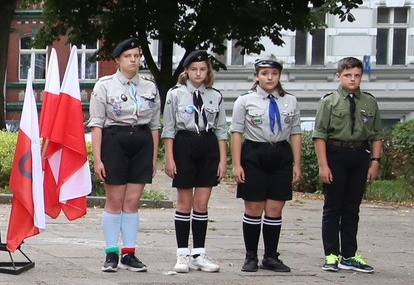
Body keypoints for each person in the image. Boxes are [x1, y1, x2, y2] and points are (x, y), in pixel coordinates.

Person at [87, 38, 161, 272]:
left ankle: (129, 253)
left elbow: (155, 125)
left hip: (141, 140)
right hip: (115, 140)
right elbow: (96, 124)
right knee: (115, 200)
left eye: (137, 56)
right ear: (118, 60)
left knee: (132, 201)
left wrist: (153, 158)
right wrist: (98, 159)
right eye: (128, 56)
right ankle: (111, 253)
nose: (133, 60)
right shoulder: (105, 86)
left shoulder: (149, 86)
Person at [230, 56, 301, 273]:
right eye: (264, 73)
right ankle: (250, 256)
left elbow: (295, 133)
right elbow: (236, 132)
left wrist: (297, 164)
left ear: (279, 76)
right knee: (253, 207)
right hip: (254, 153)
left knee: (275, 208)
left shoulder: (290, 101)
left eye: (274, 74)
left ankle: (270, 256)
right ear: (257, 76)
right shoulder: (245, 100)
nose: (270, 78)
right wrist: (237, 164)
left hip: (280, 153)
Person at [160, 50, 227, 273]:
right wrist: (169, 158)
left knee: (201, 203)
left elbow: (221, 130)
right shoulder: (175, 94)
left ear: (208, 72)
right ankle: (182, 254)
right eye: (193, 69)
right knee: (184, 203)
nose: (198, 73)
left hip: (207, 144)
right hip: (184, 143)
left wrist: (223, 160)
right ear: (186, 71)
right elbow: (169, 129)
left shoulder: (215, 96)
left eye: (202, 69)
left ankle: (199, 253)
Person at [313, 56, 382, 273]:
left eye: (357, 75)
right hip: (335, 153)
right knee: (333, 207)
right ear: (338, 76)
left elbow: (376, 135)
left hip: (359, 154)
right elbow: (320, 135)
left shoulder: (369, 102)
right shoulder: (329, 101)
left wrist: (375, 162)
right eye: (348, 75)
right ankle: (331, 254)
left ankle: (350, 254)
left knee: (352, 207)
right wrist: (323, 165)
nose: (352, 79)